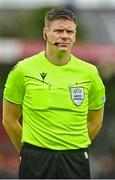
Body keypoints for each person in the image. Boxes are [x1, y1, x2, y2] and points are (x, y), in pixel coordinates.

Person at [2, 8, 106, 179]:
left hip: (75, 158)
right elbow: (9, 119)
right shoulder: (23, 70)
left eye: (69, 31)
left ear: (74, 35)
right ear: (46, 33)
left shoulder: (90, 73)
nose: (64, 36)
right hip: (35, 158)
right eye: (58, 30)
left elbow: (95, 121)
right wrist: (29, 148)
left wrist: (71, 144)